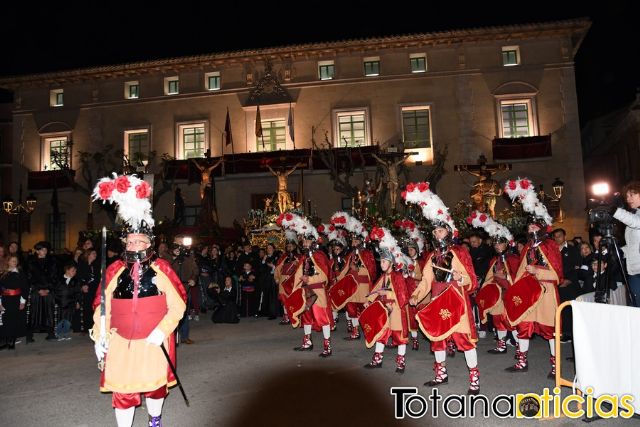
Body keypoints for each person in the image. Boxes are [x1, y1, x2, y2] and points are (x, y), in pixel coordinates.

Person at [90, 173, 187, 427]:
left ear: (149, 242)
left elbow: (178, 305)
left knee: (155, 388)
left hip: (153, 339)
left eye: (138, 240)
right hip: (121, 341)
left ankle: (154, 420)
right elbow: (102, 306)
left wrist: (163, 330)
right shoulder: (114, 270)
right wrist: (99, 335)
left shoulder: (162, 268)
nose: (133, 244)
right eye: (129, 240)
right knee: (123, 392)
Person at [403, 183, 480, 395]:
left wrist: (460, 277)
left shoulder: (459, 252)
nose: (438, 234)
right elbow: (426, 280)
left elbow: (471, 280)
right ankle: (441, 374)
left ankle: (474, 377)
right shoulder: (431, 256)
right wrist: (416, 297)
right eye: (435, 230)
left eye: (441, 230)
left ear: (448, 231)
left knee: (463, 339)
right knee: (437, 338)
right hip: (438, 299)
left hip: (456, 300)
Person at [503, 177, 563, 379]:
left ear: (542, 228)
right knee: (524, 325)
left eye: (535, 228)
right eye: (529, 228)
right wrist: (514, 287)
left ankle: (556, 367)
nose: (532, 231)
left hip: (546, 293)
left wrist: (538, 271)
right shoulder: (528, 247)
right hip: (528, 292)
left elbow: (557, 275)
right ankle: (521, 361)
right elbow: (520, 270)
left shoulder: (550, 246)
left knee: (549, 329)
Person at [278, 212, 333, 357]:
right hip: (305, 292)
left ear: (313, 242)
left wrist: (310, 280)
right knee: (306, 317)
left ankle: (327, 345)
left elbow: (325, 277)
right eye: (303, 242)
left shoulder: (320, 256)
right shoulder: (303, 257)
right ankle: (307, 341)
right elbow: (298, 276)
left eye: (307, 242)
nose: (304, 244)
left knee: (322, 318)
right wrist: (295, 289)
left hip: (318, 292)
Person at [467, 211, 520, 354]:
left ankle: (520, 350)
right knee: (498, 320)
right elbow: (489, 277)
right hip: (497, 295)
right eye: (495, 244)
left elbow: (518, 277)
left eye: (500, 244)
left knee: (511, 321)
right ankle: (501, 345)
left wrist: (506, 277)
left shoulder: (513, 258)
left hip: (509, 293)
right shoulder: (494, 260)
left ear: (506, 244)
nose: (497, 246)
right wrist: (484, 288)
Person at [363, 232, 409, 373]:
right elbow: (376, 289)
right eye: (381, 261)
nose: (381, 264)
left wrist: (387, 293)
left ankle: (401, 362)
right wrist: (368, 300)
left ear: (391, 262)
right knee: (381, 334)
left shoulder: (397, 276)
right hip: (384, 309)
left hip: (395, 310)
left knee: (399, 336)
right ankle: (377, 359)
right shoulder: (383, 276)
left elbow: (402, 295)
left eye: (384, 261)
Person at [330, 211, 376, 341]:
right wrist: (337, 279)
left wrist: (358, 269)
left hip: (363, 287)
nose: (354, 243)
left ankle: (368, 331)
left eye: (356, 241)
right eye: (353, 241)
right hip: (352, 287)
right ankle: (355, 332)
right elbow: (345, 270)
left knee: (363, 310)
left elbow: (371, 271)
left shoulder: (367, 254)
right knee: (351, 308)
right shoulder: (350, 255)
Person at [612, 181, 640, 307]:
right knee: (634, 307)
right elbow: (634, 246)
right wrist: (619, 251)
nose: (628, 199)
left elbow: (635, 222)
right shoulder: (636, 214)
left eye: (632, 195)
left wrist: (615, 210)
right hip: (634, 270)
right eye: (627, 196)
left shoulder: (635, 218)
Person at [27, 241, 58, 342]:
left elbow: (54, 277)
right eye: (42, 249)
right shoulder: (31, 262)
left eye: (46, 249)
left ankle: (50, 333)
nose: (45, 251)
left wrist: (48, 289)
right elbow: (29, 278)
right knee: (34, 312)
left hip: (49, 290)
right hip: (37, 291)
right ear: (37, 251)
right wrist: (39, 289)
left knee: (49, 311)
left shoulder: (52, 262)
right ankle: (30, 335)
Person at [0, 255, 29, 350]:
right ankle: (5, 340)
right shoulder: (3, 273)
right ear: (8, 262)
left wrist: (22, 302)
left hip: (15, 299)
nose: (14, 262)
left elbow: (24, 288)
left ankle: (12, 340)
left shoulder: (20, 273)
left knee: (13, 320)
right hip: (5, 299)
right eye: (12, 261)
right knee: (5, 320)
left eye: (16, 261)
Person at [55, 263, 80, 341]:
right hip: (60, 303)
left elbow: (78, 292)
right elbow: (55, 291)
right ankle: (58, 333)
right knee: (60, 319)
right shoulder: (59, 279)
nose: (74, 272)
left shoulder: (76, 281)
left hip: (71, 303)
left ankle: (65, 333)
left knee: (68, 319)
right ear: (67, 270)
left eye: (75, 271)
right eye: (73, 271)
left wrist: (77, 302)